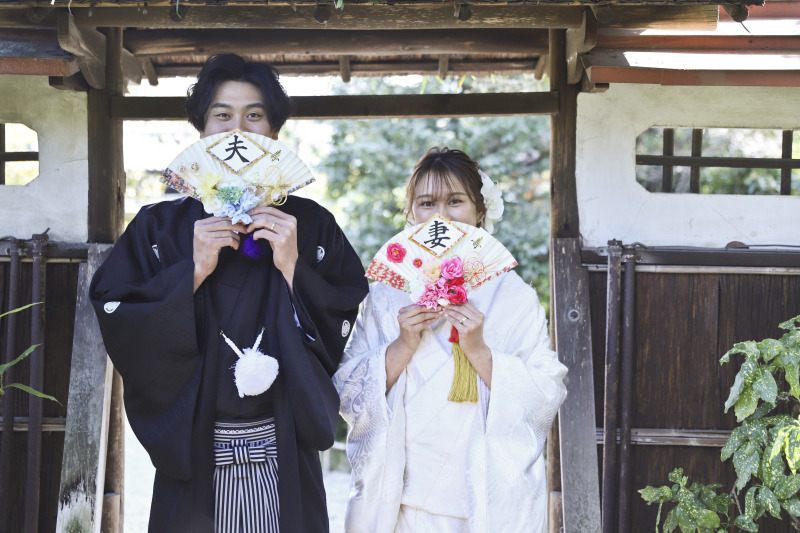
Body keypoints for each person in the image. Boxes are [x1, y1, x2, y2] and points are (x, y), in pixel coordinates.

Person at [90, 54, 369, 533]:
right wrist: (192, 272)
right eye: (222, 115)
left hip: (283, 444)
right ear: (201, 131)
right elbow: (119, 314)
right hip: (194, 451)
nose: (237, 129)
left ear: (274, 134)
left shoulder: (311, 224)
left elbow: (343, 308)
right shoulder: (158, 226)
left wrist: (292, 267)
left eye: (253, 115)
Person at [333, 147, 568, 533]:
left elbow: (546, 393)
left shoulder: (514, 296)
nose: (441, 215)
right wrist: (402, 345)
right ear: (412, 215)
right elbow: (348, 391)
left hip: (482, 500)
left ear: (480, 210)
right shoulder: (386, 295)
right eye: (427, 203)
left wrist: (477, 350)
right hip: (401, 503)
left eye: (455, 201)